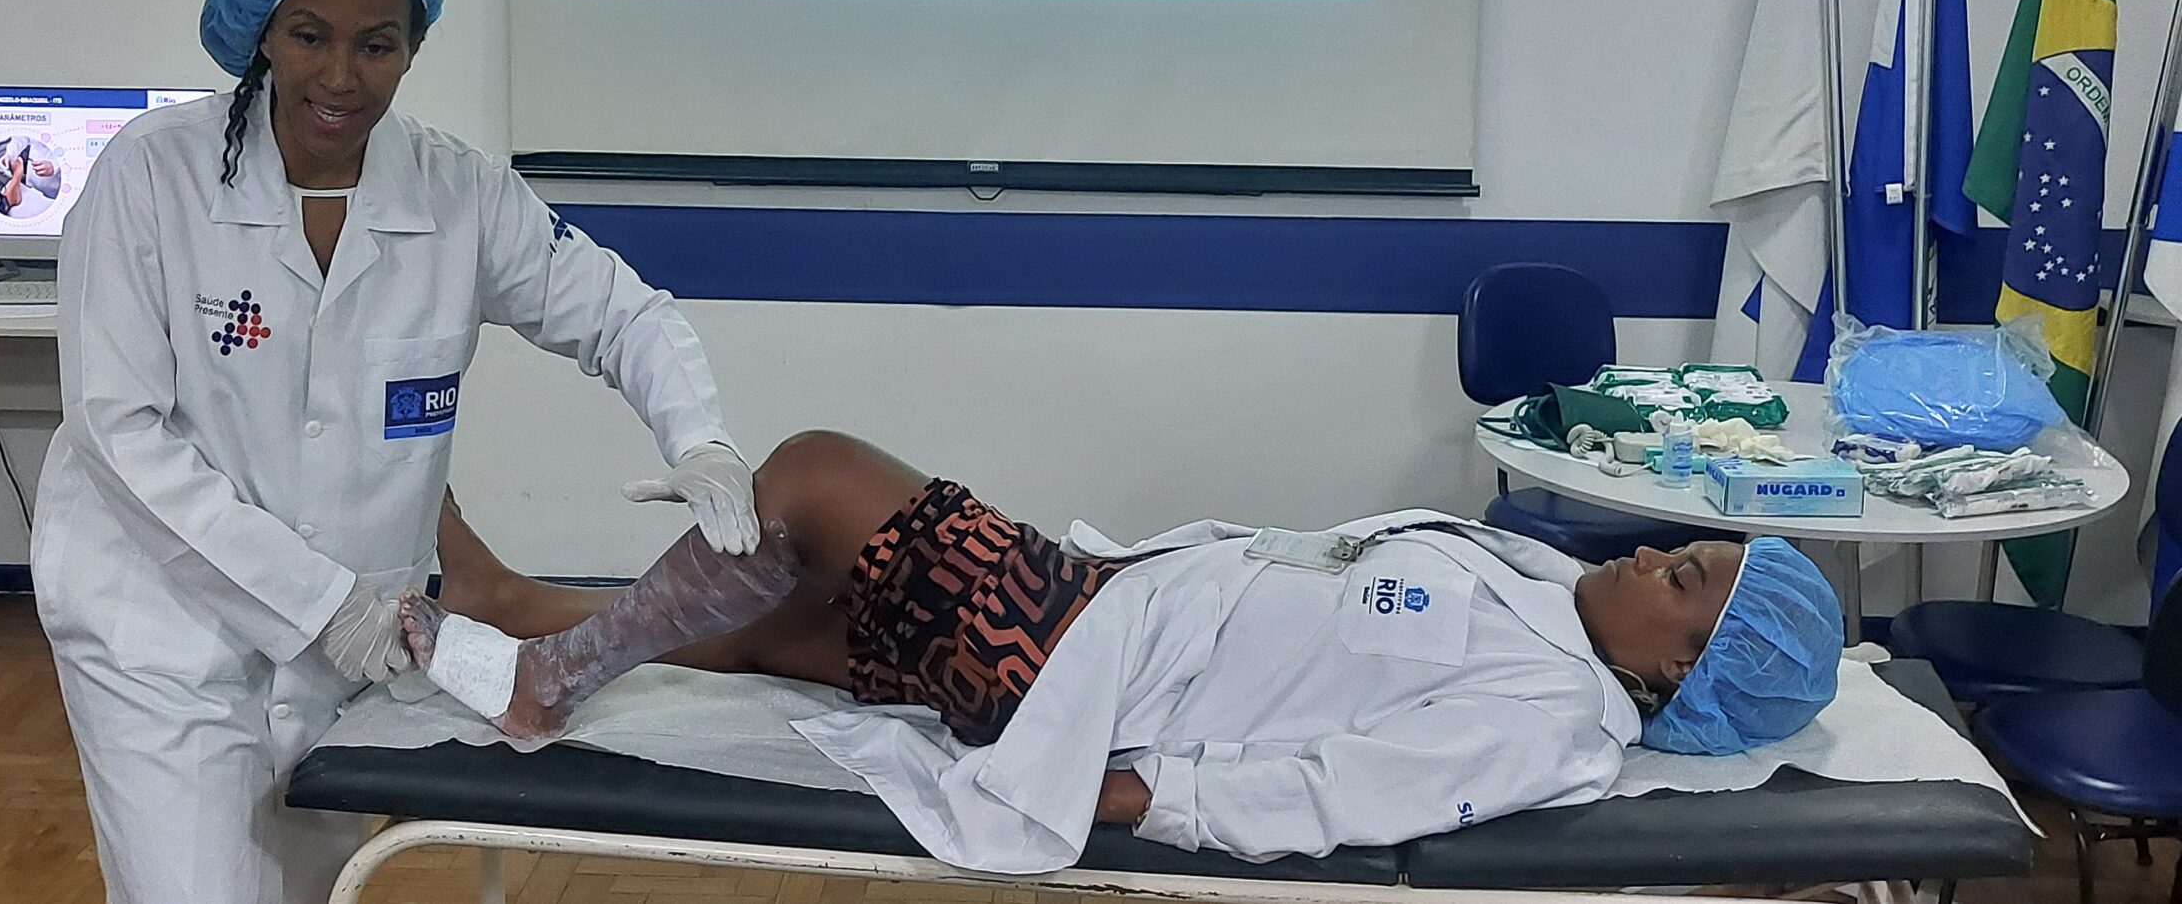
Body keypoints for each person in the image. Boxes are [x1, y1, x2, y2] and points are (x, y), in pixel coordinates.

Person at [30, 0, 766, 904]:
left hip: (350, 642)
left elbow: (622, 314)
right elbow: (118, 431)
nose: (340, 75)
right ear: (261, 34)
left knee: (305, 888)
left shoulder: (457, 192)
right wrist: (322, 605)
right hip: (162, 627)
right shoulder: (151, 178)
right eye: (309, 36)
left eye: (376, 44)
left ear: (413, 50)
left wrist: (702, 440)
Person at [403, 431, 1845, 875]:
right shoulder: (1541, 584)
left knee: (811, 478)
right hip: (1099, 603)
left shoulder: (1555, 716)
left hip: (1065, 663)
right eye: (1685, 547)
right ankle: (519, 604)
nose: (1656, 554)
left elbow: (1350, 789)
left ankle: (545, 680)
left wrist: (1134, 794)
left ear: (1679, 678)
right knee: (788, 625)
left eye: (1685, 581)